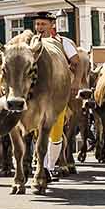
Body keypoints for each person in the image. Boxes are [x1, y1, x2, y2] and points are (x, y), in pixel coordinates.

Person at [31, 11, 79, 178]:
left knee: (56, 132)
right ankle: (43, 167)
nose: (39, 28)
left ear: (53, 25)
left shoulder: (63, 42)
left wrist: (76, 82)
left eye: (43, 24)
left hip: (59, 92)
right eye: (37, 24)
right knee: (38, 131)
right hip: (37, 95)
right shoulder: (31, 44)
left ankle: (50, 165)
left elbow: (76, 63)